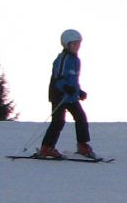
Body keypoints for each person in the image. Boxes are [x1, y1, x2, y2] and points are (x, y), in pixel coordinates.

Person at [39, 29, 96, 159]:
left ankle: (82, 145)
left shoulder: (76, 60)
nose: (77, 47)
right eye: (74, 44)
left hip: (71, 96)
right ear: (66, 45)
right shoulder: (62, 59)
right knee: (58, 121)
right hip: (59, 94)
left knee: (81, 118)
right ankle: (46, 147)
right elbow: (58, 77)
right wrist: (65, 87)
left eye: (78, 44)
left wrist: (79, 91)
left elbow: (73, 79)